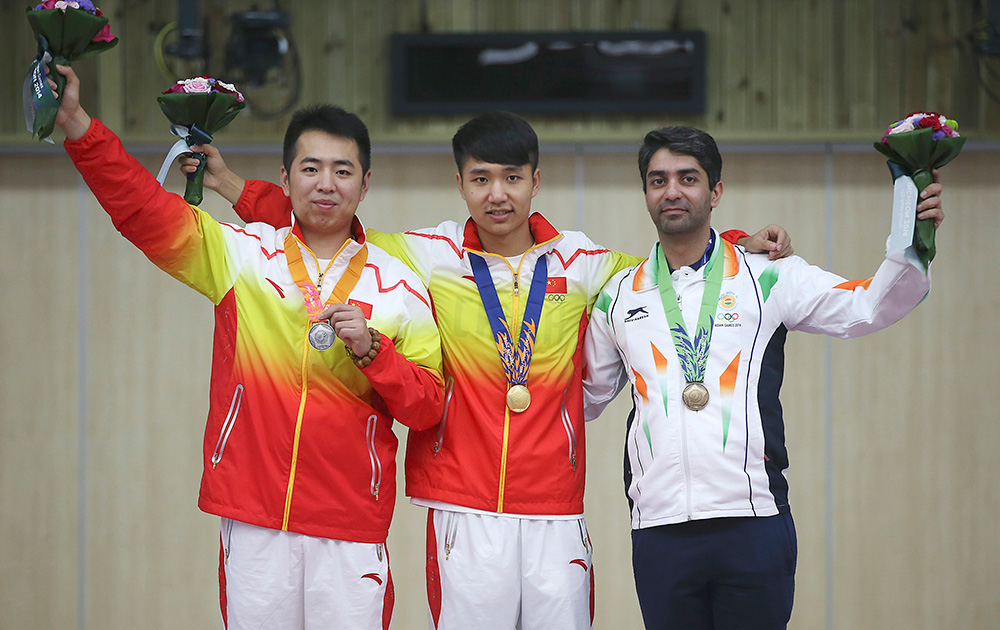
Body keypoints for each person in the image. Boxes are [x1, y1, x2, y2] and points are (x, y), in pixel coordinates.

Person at [183, 112, 793, 629]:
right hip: (461, 508)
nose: (497, 193)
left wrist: (735, 242)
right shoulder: (430, 253)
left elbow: (664, 268)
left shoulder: (580, 262)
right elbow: (328, 220)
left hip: (555, 509)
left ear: (535, 182)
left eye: (512, 178)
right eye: (481, 179)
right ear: (461, 184)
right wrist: (238, 188)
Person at [52, 64, 445, 629]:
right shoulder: (242, 254)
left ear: (365, 184)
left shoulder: (401, 287)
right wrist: (78, 126)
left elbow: (428, 406)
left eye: (342, 170)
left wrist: (373, 350)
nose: (326, 184)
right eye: (310, 168)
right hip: (255, 514)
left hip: (351, 521)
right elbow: (142, 210)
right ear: (285, 179)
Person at [582, 125, 944, 630]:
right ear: (645, 193)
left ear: (716, 192)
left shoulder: (768, 274)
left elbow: (865, 307)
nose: (672, 191)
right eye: (658, 179)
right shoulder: (618, 294)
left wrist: (911, 236)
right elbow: (582, 399)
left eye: (688, 178)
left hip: (752, 522)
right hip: (659, 528)